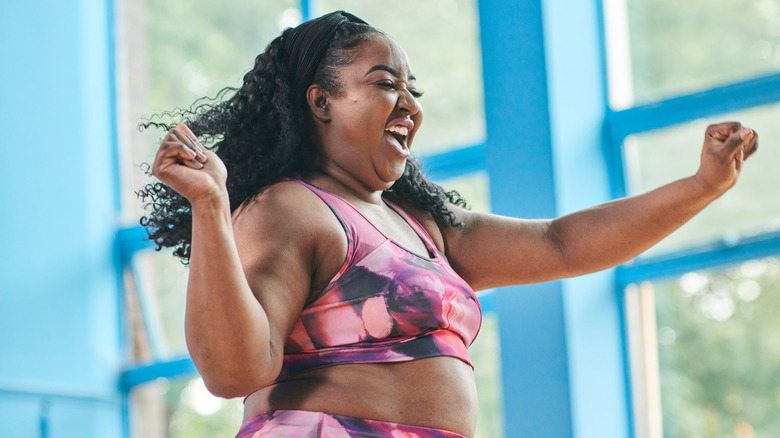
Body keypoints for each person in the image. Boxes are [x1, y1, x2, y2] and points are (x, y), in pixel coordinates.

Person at [138, 10, 758, 438]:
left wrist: (700, 186)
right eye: (386, 85)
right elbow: (235, 371)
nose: (410, 106)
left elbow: (561, 243)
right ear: (320, 102)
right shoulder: (289, 208)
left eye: (414, 90)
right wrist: (211, 208)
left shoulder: (425, 226)